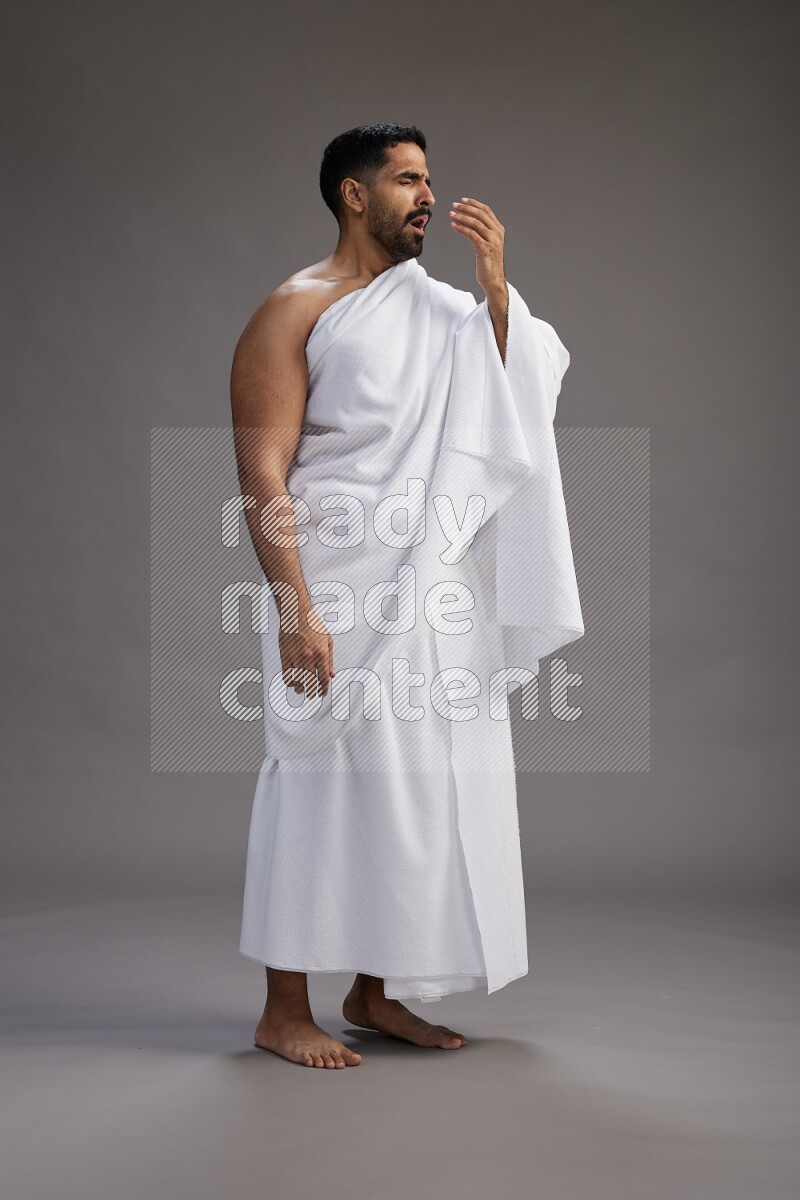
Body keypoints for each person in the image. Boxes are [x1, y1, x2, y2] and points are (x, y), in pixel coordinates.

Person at [229, 123, 583, 1069]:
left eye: (431, 179)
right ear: (354, 194)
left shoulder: (448, 311)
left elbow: (521, 387)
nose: (428, 196)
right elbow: (263, 472)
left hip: (434, 590)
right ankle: (282, 1008)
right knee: (316, 779)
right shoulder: (295, 308)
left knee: (421, 790)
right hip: (339, 584)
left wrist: (499, 288)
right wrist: (294, 609)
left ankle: (377, 993)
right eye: (407, 180)